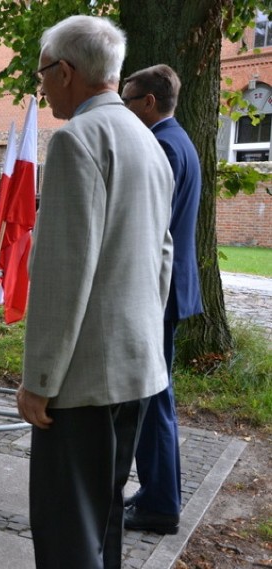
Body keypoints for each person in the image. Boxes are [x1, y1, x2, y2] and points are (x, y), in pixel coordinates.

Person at [15, 16, 174, 568]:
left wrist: (39, 381)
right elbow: (164, 257)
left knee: (66, 533)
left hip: (80, 382)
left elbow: (64, 272)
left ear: (65, 71)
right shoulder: (148, 140)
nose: (41, 86)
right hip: (136, 367)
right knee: (103, 520)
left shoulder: (77, 141)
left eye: (42, 74)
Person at [121, 64, 204, 535]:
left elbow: (152, 229)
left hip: (160, 290)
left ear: (148, 103)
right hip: (172, 287)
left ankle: (160, 506)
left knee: (152, 398)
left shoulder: (162, 147)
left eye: (128, 99)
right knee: (157, 396)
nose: (124, 107)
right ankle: (158, 494)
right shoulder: (180, 141)